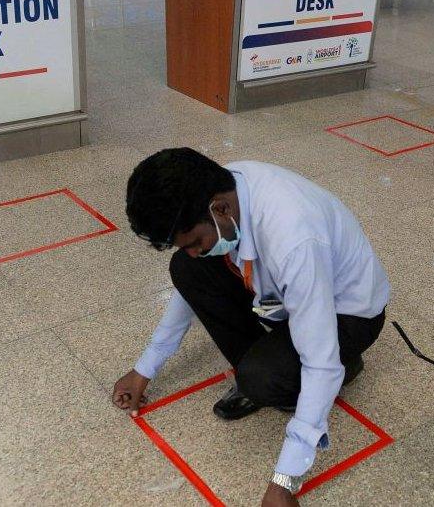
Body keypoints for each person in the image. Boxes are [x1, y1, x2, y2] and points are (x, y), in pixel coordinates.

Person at [113, 148, 390, 506]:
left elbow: (319, 358)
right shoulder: (220, 190)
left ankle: (344, 363)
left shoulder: (293, 237)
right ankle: (276, 361)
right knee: (187, 270)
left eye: (196, 241)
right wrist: (145, 368)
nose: (195, 250)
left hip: (349, 313)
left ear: (221, 210)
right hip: (292, 297)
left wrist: (284, 480)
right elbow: (192, 282)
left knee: (262, 378)